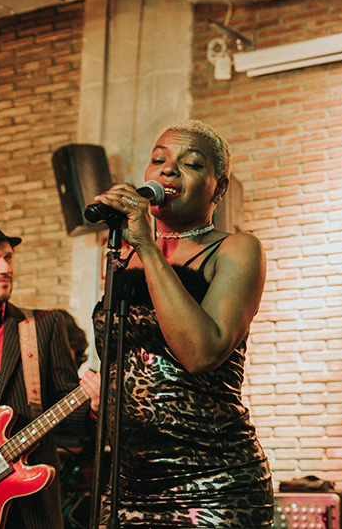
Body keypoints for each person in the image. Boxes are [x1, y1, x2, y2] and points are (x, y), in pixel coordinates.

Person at [91, 119, 272, 527]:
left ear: (219, 188)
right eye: (158, 160)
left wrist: (147, 247)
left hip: (212, 484)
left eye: (190, 163)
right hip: (126, 485)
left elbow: (201, 352)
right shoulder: (124, 255)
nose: (168, 169)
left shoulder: (237, 250)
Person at [0, 210, 100, 529]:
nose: (6, 268)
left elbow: (67, 410)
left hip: (30, 505)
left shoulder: (43, 326)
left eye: (8, 258)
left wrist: (93, 404)